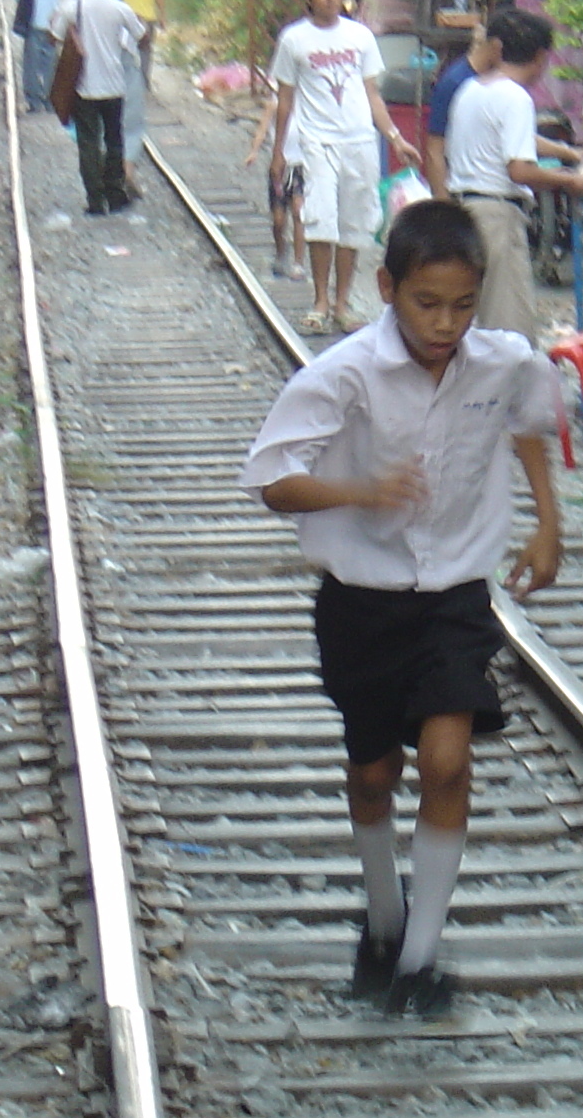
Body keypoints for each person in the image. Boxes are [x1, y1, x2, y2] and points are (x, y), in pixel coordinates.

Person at [241, 200, 566, 1018]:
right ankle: (383, 920)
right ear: (387, 288)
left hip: (455, 593)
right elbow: (271, 478)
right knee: (375, 770)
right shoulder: (343, 373)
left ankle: (420, 961)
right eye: (427, 303)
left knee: (449, 760)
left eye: (463, 305)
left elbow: (529, 422)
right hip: (362, 600)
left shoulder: (503, 362)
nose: (446, 322)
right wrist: (359, 490)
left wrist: (547, 524)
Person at [271, 0, 418, 334]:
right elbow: (285, 99)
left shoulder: (360, 37)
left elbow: (372, 94)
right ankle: (320, 300)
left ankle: (342, 302)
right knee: (321, 219)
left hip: (359, 141)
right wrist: (278, 153)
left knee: (354, 222)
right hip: (315, 141)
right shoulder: (294, 40)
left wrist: (395, 138)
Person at [443, 7, 583, 339]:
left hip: (465, 210)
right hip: (496, 215)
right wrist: (571, 179)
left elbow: (515, 138)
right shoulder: (516, 98)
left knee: (478, 323)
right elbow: (520, 169)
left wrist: (568, 153)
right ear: (542, 57)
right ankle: (512, 392)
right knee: (508, 327)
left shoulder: (473, 89)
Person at [51, 0, 147, 215]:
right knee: (115, 141)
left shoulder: (73, 6)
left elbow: (54, 37)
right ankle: (115, 195)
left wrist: (73, 32)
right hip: (114, 87)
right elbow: (141, 36)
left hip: (84, 88)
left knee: (88, 144)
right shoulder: (121, 9)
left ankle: (95, 200)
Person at [421, 23, 498, 197]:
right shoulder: (454, 82)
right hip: (464, 188)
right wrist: (443, 205)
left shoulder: (499, 81)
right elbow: (435, 149)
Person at [244, 85, 308, 280]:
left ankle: (298, 263)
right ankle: (281, 253)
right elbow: (262, 130)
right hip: (279, 168)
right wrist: (254, 151)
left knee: (299, 212)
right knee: (279, 219)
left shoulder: (308, 106)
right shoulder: (274, 104)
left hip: (300, 166)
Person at [15, 0, 65, 113]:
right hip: (53, 26)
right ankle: (50, 101)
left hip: (34, 23)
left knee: (31, 64)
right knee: (51, 63)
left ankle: (34, 102)